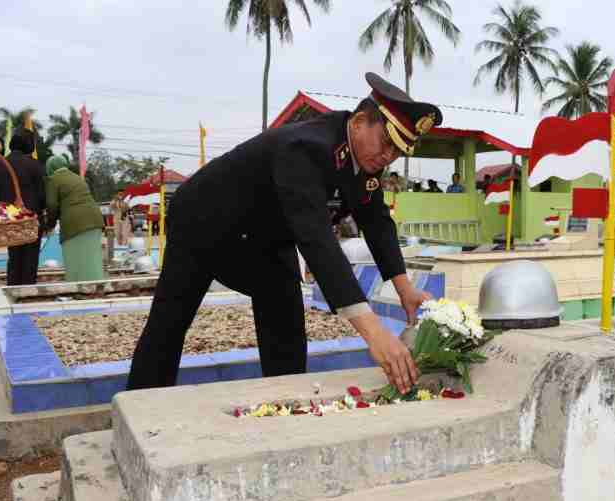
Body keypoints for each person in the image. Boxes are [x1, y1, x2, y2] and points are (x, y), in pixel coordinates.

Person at [126, 72, 443, 395]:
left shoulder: (365, 163)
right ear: (360, 121)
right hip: (205, 221)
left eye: (399, 151)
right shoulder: (305, 148)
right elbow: (317, 239)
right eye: (387, 143)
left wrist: (405, 290)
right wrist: (374, 331)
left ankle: (286, 405)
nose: (389, 156)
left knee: (286, 320)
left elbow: (376, 222)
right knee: (171, 321)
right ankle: (141, 405)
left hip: (266, 237)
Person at [0, 130, 45, 285]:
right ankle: (27, 292)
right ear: (29, 144)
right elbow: (42, 195)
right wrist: (42, 214)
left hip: (10, 220)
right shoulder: (34, 165)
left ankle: (12, 288)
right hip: (31, 219)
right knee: (30, 258)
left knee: (14, 255)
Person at [43, 155, 105, 282]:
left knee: (75, 256)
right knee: (92, 257)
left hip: (75, 223)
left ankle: (77, 285)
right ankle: (96, 285)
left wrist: (50, 224)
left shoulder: (54, 179)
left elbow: (51, 204)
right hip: (95, 219)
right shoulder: (77, 177)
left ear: (50, 167)